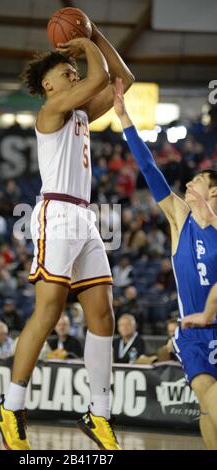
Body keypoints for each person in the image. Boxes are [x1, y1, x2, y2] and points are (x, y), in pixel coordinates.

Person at [0, 18, 134, 451]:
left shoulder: (82, 113)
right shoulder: (50, 112)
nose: (73, 75)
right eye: (65, 74)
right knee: (49, 310)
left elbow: (123, 79)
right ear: (49, 87)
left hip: (86, 218)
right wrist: (85, 41)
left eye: (74, 72)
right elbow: (100, 77)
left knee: (102, 315)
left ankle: (99, 413)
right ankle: (11, 407)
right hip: (55, 214)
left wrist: (98, 37)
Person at [114, 78, 217, 450]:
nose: (187, 185)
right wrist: (125, 120)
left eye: (197, 182)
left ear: (214, 191)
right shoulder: (179, 218)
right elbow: (149, 170)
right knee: (207, 406)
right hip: (193, 333)